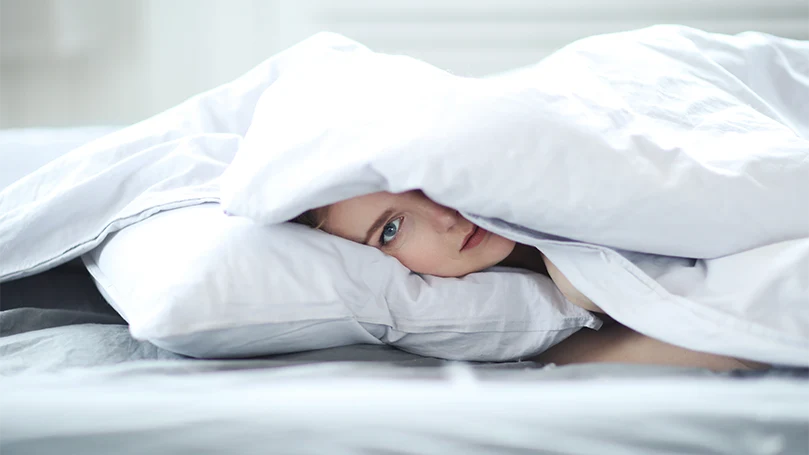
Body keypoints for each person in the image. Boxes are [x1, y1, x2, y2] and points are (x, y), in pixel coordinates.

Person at [293, 190, 767, 372]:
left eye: (414, 181)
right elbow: (740, 347)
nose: (442, 214)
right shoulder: (531, 325)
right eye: (392, 229)